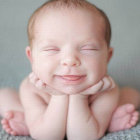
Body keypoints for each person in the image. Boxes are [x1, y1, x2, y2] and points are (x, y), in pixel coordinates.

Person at [0, 0, 140, 140]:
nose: (70, 60)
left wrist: (80, 96)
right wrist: (58, 96)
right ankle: (27, 119)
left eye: (87, 49)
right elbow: (47, 136)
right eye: (52, 49)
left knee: (131, 94)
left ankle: (107, 120)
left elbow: (83, 136)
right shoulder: (32, 88)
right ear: (32, 57)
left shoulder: (106, 89)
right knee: (4, 96)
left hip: (91, 114)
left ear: (107, 57)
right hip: (42, 110)